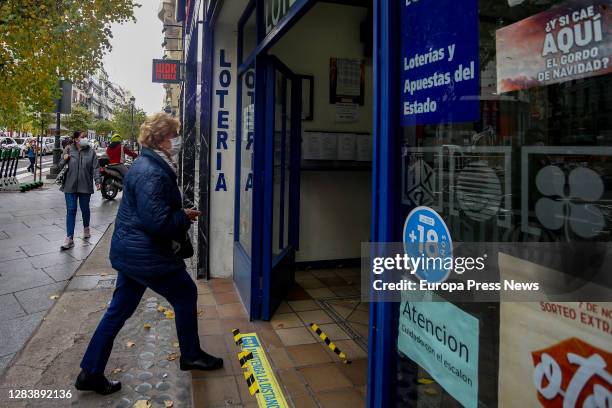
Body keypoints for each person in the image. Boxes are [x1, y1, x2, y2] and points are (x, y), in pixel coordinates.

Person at [75, 113, 222, 395]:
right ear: (163, 139)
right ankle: (191, 355)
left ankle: (90, 372)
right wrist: (183, 217)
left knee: (118, 311)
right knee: (185, 293)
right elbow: (158, 223)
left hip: (132, 253)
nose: (178, 141)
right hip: (147, 255)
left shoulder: (146, 164)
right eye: (175, 135)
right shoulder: (152, 171)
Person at [58, 131, 101, 250]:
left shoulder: (91, 152)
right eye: (83, 137)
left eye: (86, 137)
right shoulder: (68, 149)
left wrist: (97, 181)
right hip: (69, 186)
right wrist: (64, 159)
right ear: (76, 139)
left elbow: (96, 168)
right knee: (71, 210)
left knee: (85, 208)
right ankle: (69, 238)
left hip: (85, 185)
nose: (85, 139)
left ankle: (86, 228)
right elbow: (60, 166)